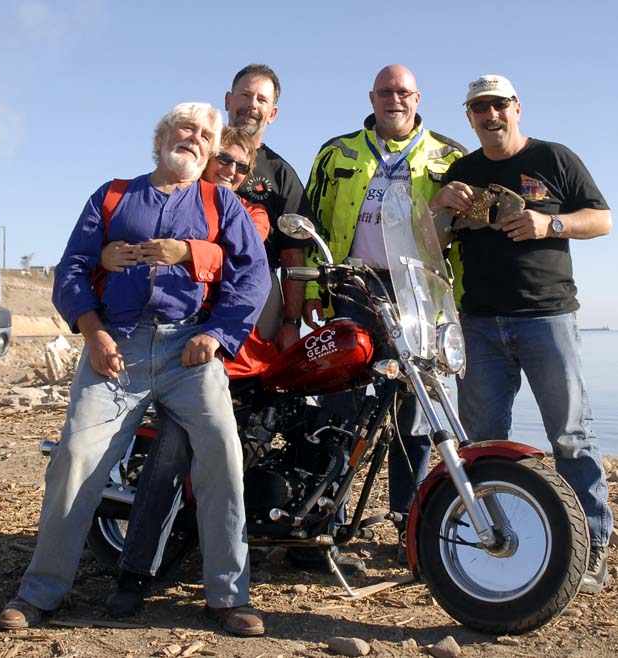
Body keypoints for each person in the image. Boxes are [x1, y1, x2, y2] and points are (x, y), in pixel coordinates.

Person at [0, 103, 270, 636]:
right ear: (161, 136)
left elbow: (250, 276)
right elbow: (70, 268)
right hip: (114, 348)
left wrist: (216, 336)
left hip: (188, 350)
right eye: (185, 128)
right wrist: (93, 332)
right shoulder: (113, 195)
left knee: (222, 456)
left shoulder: (221, 202)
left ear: (212, 149)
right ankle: (38, 594)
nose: (194, 139)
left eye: (205, 134)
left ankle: (228, 597)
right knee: (75, 458)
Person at [431, 74, 613, 593]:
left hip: (547, 317)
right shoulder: (462, 170)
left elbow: (602, 220)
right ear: (469, 116)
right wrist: (440, 204)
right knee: (483, 443)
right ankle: (496, 534)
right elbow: (430, 241)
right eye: (479, 108)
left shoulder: (554, 158)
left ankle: (593, 545)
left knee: (571, 437)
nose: (490, 116)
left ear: (516, 107)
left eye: (498, 105)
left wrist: (547, 225)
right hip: (480, 323)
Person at [99, 126, 276, 620]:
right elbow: (208, 254)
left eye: (242, 168)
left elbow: (251, 258)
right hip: (193, 353)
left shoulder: (241, 208)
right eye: (224, 160)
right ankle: (135, 573)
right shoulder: (190, 203)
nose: (231, 171)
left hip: (247, 351)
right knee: (173, 452)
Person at [302, 64, 466, 567]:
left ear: (418, 97)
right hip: (351, 287)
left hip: (415, 293)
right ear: (371, 97)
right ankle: (326, 523)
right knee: (340, 408)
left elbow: (459, 239)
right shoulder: (337, 152)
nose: (394, 99)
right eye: (385, 91)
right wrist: (313, 285)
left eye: (403, 91)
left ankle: (408, 525)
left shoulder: (450, 155)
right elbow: (312, 221)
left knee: (414, 413)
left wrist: (450, 307)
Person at [225, 64, 313, 352]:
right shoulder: (199, 155)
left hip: (258, 287)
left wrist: (291, 323)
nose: (252, 105)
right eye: (245, 95)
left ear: (272, 114)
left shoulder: (281, 175)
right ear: (228, 100)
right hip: (193, 281)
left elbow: (293, 254)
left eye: (262, 100)